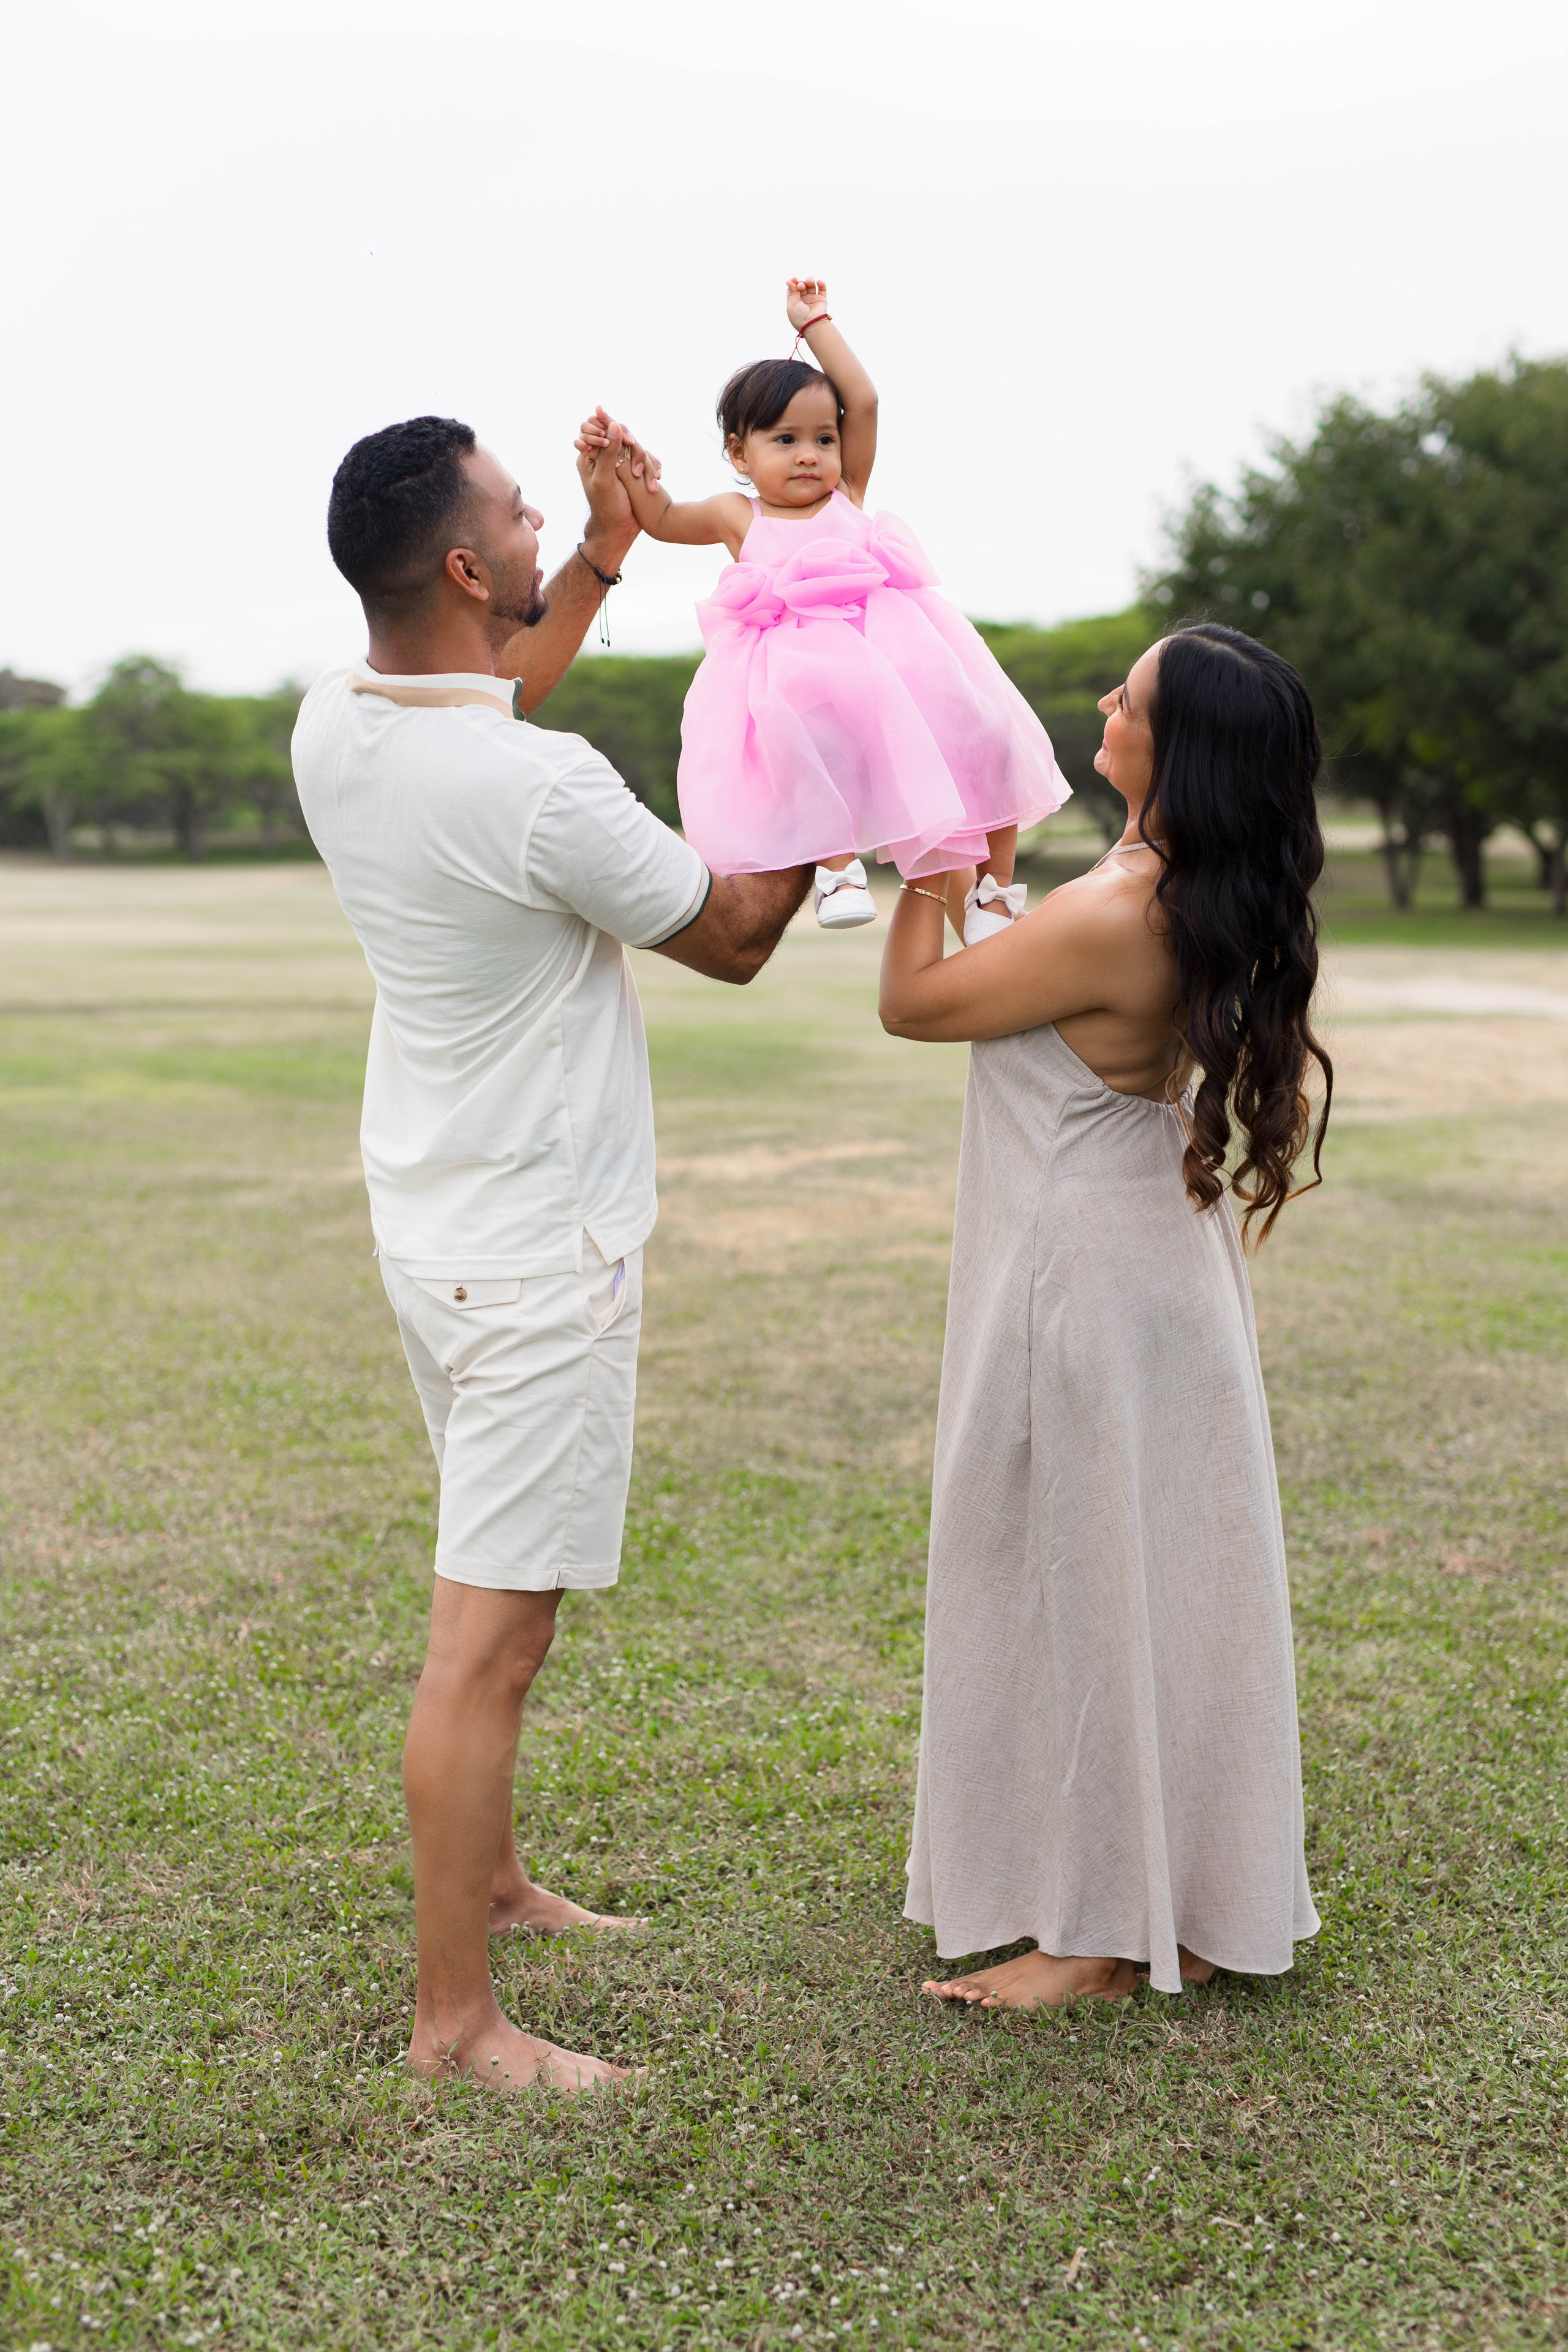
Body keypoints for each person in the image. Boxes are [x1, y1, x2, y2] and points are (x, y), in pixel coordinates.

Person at [292, 415, 810, 2090]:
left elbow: (503, 700)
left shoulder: (344, 721)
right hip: (533, 1256)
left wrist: (600, 552)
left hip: (439, 1226)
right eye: (521, 515)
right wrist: (833, 760)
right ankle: (459, 2027)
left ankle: (498, 1886)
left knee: (505, 1601)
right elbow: (732, 934)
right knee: (490, 1639)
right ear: (461, 566)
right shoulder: (535, 785)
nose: (539, 526)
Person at [880, 622, 1330, 2008]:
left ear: (1166, 746)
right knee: (1158, 1580)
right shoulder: (1179, 890)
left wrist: (922, 868)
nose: (1099, 701)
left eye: (1122, 696)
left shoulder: (1117, 911)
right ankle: (1172, 1897)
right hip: (1156, 1265)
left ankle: (1091, 1931)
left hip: (1071, 1274)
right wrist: (990, 869)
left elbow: (912, 1003)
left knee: (1072, 1579)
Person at [578, 278, 1068, 940]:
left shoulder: (849, 495)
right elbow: (660, 518)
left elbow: (861, 399)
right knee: (811, 750)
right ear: (738, 453)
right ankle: (839, 872)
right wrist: (622, 459)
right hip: (800, 668)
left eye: (823, 439)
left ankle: (993, 893)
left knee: (986, 737)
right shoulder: (736, 516)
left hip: (902, 656)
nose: (810, 454)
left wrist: (815, 324)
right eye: (784, 440)